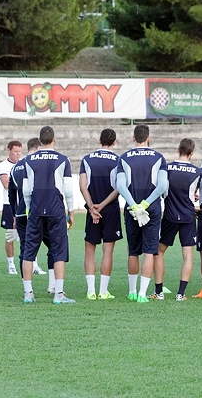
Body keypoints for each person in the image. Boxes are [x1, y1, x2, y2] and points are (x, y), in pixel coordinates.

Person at [21, 126, 75, 304]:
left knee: (29, 252)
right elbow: (67, 189)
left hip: (36, 209)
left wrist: (29, 209)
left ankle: (28, 294)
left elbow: (26, 189)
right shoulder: (62, 159)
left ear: (39, 140)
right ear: (54, 139)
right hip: (56, 210)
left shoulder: (29, 160)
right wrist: (71, 211)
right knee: (59, 250)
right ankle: (58, 294)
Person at [116, 124, 168, 303]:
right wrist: (145, 204)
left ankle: (132, 291)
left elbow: (120, 186)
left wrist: (134, 206)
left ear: (133, 138)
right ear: (148, 138)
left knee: (133, 251)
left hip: (132, 209)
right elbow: (162, 186)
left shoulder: (124, 158)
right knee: (149, 251)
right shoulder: (159, 157)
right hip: (151, 207)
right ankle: (142, 294)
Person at [153, 138, 200, 302]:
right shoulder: (196, 171)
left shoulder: (167, 168)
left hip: (170, 216)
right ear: (192, 153)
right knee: (187, 255)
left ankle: (159, 292)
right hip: (188, 216)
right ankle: (181, 294)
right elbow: (195, 193)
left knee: (159, 252)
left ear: (177, 149)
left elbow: (161, 189)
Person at [79, 128, 122, 300]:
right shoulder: (118, 161)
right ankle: (103, 291)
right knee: (108, 250)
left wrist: (92, 208)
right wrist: (102, 206)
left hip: (92, 211)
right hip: (110, 209)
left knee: (90, 250)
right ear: (114, 142)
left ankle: (91, 291)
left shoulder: (87, 159)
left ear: (99, 140)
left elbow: (82, 185)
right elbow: (119, 188)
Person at [9, 138, 56, 293]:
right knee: (54, 247)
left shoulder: (15, 168)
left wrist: (15, 215)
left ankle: (27, 289)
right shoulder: (38, 163)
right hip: (42, 210)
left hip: (22, 213)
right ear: (38, 148)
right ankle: (52, 285)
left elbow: (11, 195)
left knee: (25, 249)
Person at [0, 140, 26, 275]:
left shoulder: (24, 163)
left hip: (24, 203)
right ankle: (11, 264)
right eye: (15, 152)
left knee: (27, 234)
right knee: (10, 235)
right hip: (9, 203)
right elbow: (6, 184)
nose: (18, 154)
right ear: (9, 150)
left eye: (20, 152)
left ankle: (33, 263)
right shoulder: (3, 166)